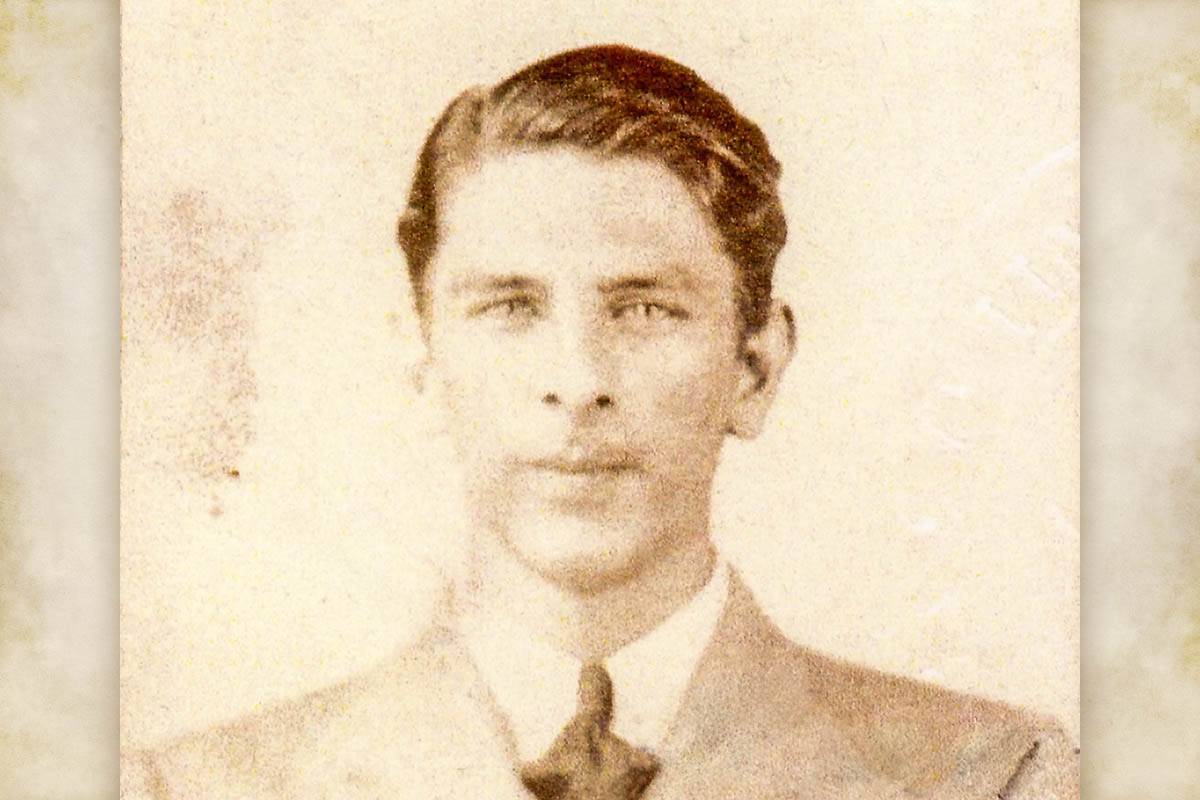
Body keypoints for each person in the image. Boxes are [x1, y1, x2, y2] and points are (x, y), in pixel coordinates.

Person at [121, 44, 1078, 799]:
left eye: (646, 309)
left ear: (755, 367)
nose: (578, 383)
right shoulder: (193, 790)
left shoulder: (993, 777)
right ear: (422, 360)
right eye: (510, 307)